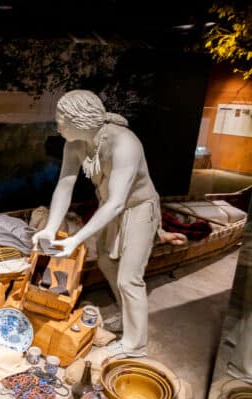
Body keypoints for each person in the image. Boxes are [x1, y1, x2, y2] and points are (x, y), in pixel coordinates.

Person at [32, 90, 160, 358]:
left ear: (79, 120)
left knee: (129, 278)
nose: (57, 126)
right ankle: (127, 321)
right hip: (110, 208)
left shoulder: (126, 144)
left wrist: (76, 240)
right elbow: (64, 186)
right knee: (105, 262)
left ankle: (135, 346)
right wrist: (50, 229)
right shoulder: (75, 144)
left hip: (138, 209)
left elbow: (116, 202)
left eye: (61, 120)